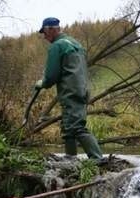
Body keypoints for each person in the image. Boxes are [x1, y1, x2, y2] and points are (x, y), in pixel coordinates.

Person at [35, 17, 104, 162]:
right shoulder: (75, 44)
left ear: (52, 29)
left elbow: (51, 76)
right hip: (82, 89)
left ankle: (98, 159)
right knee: (68, 126)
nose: (44, 36)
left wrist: (42, 83)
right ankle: (71, 158)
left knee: (76, 126)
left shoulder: (57, 46)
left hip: (70, 91)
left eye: (45, 32)